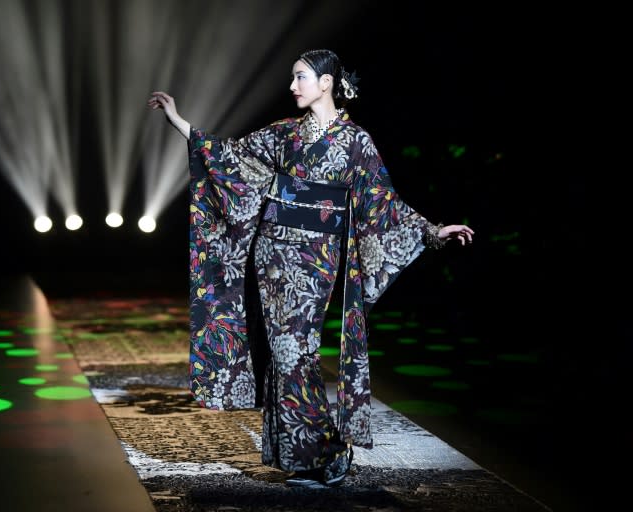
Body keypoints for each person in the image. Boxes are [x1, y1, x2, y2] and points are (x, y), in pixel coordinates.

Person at [147, 48, 474, 488]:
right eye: (292, 78)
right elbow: (228, 158)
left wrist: (433, 232)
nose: (292, 86)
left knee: (293, 351)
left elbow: (382, 203)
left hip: (316, 258)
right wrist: (180, 121)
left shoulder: (357, 142)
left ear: (326, 84)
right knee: (285, 355)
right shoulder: (286, 133)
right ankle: (300, 456)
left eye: (300, 77)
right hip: (272, 253)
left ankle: (327, 449)